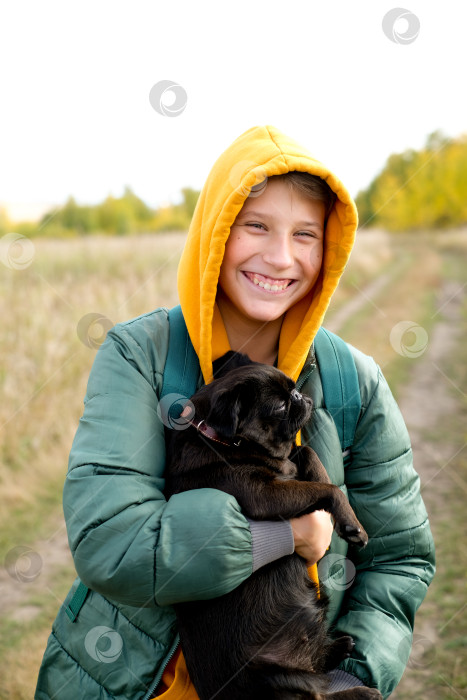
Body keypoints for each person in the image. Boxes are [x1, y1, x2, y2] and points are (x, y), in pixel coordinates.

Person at [35, 125, 435, 699]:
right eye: (256, 226)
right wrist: (288, 534)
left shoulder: (354, 382)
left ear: (329, 249)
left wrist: (347, 681)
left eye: (305, 234)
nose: (279, 256)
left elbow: (402, 560)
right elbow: (113, 545)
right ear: (216, 232)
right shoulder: (140, 356)